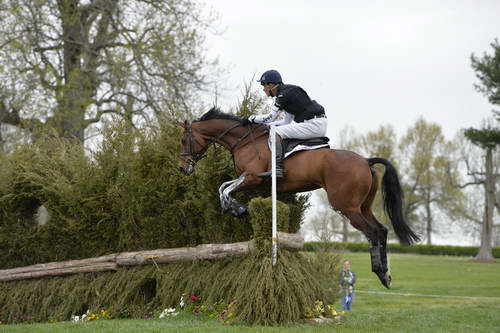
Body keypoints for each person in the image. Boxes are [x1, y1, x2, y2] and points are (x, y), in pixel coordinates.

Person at [241, 69, 328, 179]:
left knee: (275, 132)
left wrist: (251, 119)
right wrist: (267, 126)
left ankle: (277, 168)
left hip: (314, 125)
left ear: (271, 85)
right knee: (275, 129)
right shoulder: (287, 92)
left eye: (264, 86)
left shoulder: (283, 95)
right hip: (316, 123)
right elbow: (286, 122)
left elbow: (269, 117)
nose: (263, 90)